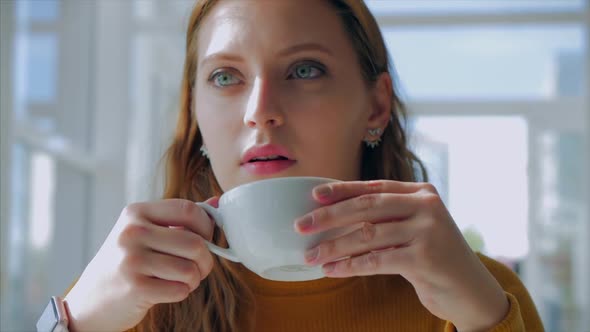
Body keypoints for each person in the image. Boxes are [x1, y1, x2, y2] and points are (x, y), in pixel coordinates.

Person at [59, 0, 544, 331]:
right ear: (197, 116)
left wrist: (485, 323)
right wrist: (74, 321)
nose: (259, 109)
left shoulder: (483, 296)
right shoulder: (126, 295)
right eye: (226, 77)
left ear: (375, 107)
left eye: (305, 69)